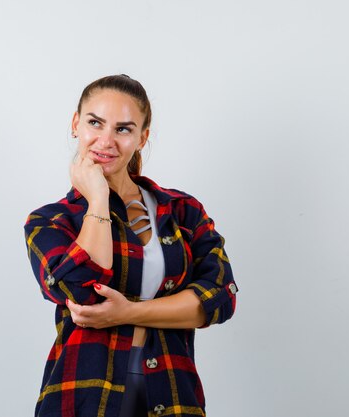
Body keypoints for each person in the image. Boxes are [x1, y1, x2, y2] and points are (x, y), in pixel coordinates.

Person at [23, 74, 238, 417]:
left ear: (142, 138)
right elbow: (84, 296)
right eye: (95, 123)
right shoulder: (50, 221)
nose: (106, 141)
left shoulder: (183, 211)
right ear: (76, 124)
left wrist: (128, 313)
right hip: (82, 396)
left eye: (123, 129)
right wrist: (97, 199)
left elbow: (220, 298)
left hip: (173, 392)